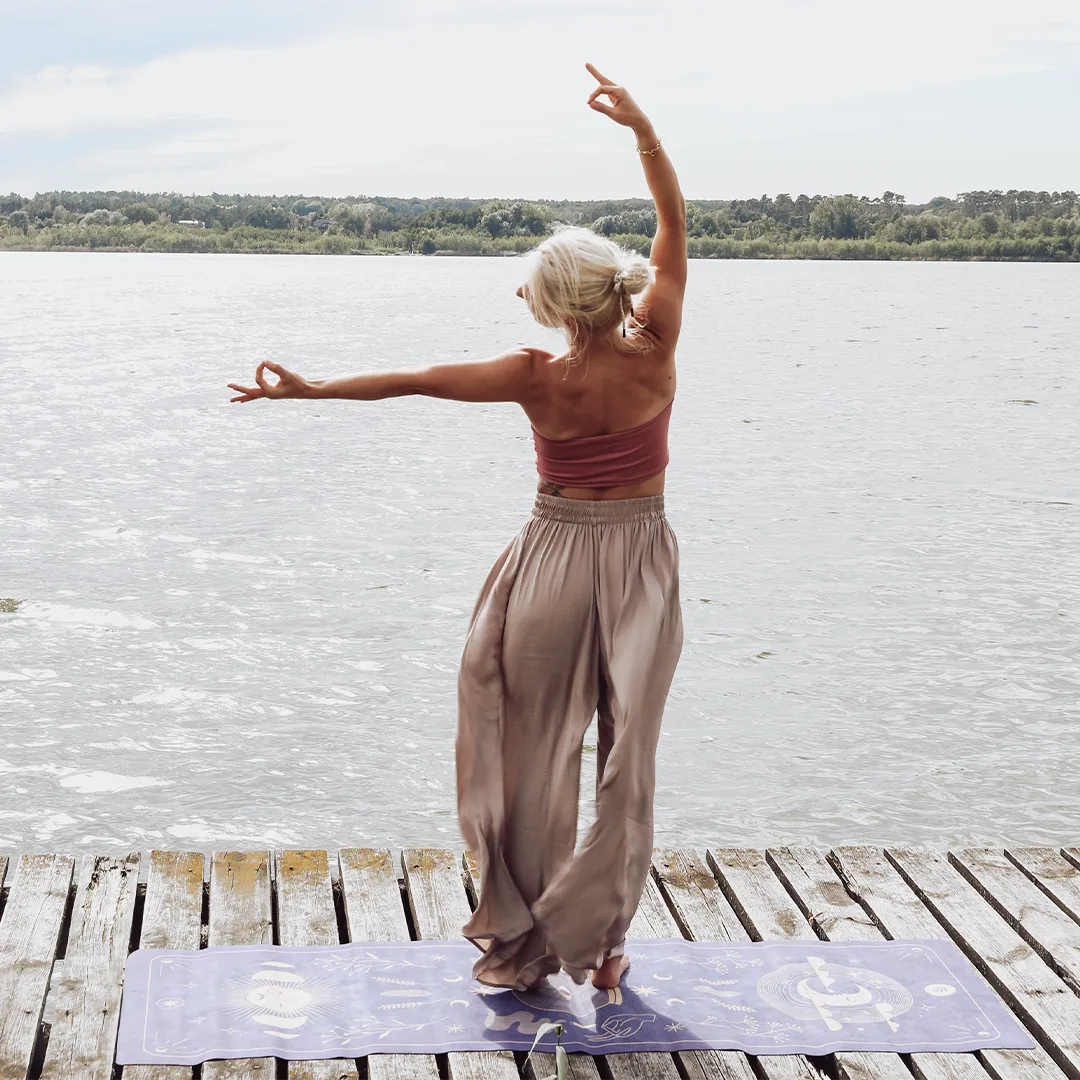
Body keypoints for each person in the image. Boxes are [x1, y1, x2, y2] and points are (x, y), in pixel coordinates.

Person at [227, 61, 686, 994]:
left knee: (532, 752)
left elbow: (413, 379)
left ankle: (525, 945)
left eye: (529, 289)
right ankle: (604, 948)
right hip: (643, 556)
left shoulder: (533, 374)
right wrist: (642, 130)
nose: (520, 300)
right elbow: (674, 225)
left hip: (556, 557)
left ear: (557, 305)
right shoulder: (659, 337)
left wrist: (313, 389)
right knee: (628, 756)